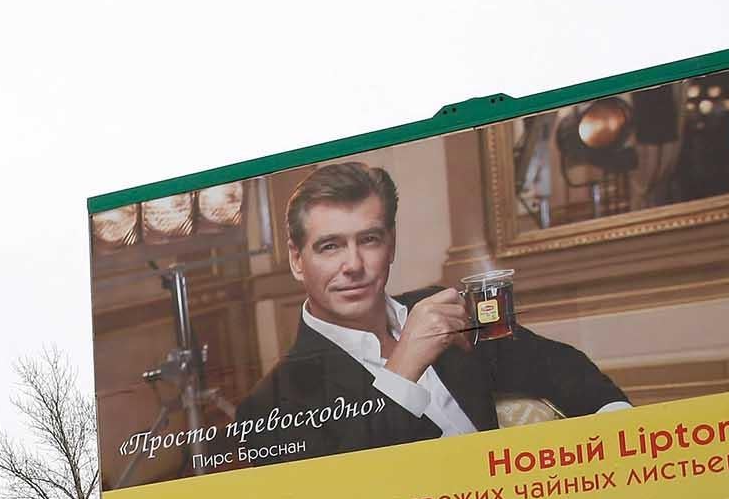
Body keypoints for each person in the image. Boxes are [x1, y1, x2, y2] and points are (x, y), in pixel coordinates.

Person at [236, 161, 628, 459]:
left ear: (390, 245)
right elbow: (354, 498)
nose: (353, 265)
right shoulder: (268, 406)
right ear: (296, 259)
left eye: (368, 240)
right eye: (330, 246)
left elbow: (557, 365)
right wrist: (404, 364)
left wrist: (619, 424)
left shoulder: (439, 308)